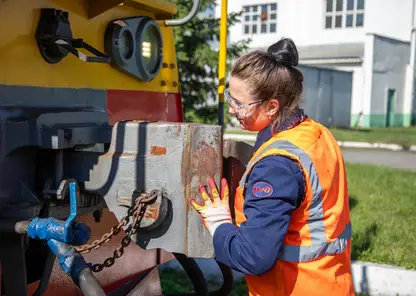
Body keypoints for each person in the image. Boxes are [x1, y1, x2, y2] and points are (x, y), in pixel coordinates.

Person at [190, 38, 354, 296]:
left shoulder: (276, 166)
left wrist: (220, 224)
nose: (233, 109)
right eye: (229, 98)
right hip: (330, 283)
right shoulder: (317, 134)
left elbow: (254, 258)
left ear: (272, 106)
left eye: (240, 104)